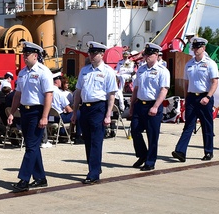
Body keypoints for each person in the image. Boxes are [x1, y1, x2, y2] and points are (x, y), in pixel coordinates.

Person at [8, 42, 54, 192]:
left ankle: (24, 179)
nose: (24, 57)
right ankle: (40, 178)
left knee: (32, 147)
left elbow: (48, 95)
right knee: (31, 146)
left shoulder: (43, 71)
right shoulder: (22, 73)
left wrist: (45, 116)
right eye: (24, 54)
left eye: (27, 55)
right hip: (25, 111)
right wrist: (12, 112)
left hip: (37, 111)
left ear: (36, 55)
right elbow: (18, 94)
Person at [71, 42, 119, 184]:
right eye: (90, 53)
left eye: (94, 53)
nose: (91, 56)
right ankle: (94, 168)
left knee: (96, 140)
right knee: (88, 140)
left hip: (99, 107)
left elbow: (111, 94)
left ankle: (93, 173)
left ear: (102, 54)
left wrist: (108, 114)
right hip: (85, 107)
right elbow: (78, 92)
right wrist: (74, 112)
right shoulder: (84, 71)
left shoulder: (108, 72)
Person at [172, 37, 219, 162]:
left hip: (205, 96)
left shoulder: (210, 63)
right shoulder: (189, 64)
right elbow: (187, 83)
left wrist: (208, 97)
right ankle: (180, 151)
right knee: (188, 125)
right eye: (194, 47)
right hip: (192, 97)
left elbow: (215, 82)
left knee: (207, 125)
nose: (195, 50)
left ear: (203, 48)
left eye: (198, 47)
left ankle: (208, 152)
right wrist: (187, 98)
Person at [129, 43, 170, 171]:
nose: (146, 57)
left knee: (152, 135)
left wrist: (156, 106)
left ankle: (150, 161)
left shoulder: (162, 71)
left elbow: (164, 90)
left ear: (156, 55)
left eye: (149, 54)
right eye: (145, 54)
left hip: (153, 105)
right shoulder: (141, 69)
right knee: (135, 130)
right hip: (140, 104)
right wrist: (132, 105)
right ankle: (142, 155)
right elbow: (136, 88)